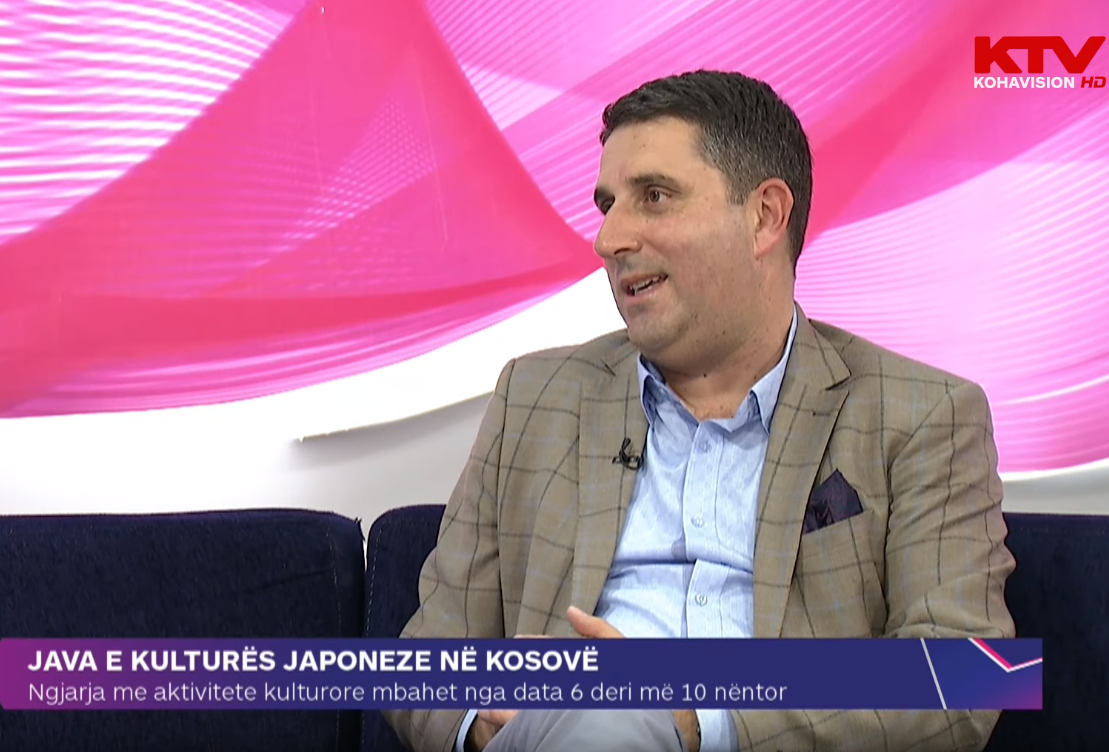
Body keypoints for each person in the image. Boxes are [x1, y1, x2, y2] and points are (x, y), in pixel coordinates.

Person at [383, 70, 1015, 752]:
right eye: (607, 205)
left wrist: (696, 716)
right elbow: (425, 661)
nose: (609, 239)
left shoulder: (921, 415)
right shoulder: (533, 398)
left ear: (765, 216)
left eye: (654, 197)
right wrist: (484, 724)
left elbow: (966, 676)